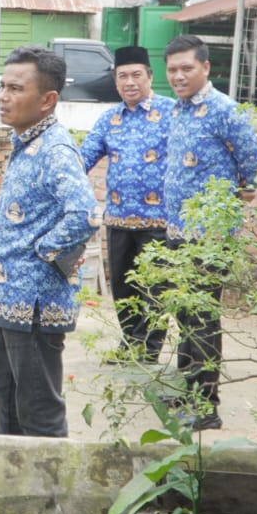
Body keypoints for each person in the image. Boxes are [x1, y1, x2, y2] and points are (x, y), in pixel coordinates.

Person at [0, 46, 98, 437]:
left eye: (16, 88)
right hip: (9, 301)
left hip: (33, 304)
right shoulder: (27, 142)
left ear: (48, 100)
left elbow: (82, 213)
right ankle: (10, 490)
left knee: (38, 410)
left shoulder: (55, 149)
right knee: (6, 396)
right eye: (3, 86)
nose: (3, 96)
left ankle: (49, 496)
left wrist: (44, 253)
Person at [162, 34, 257, 431]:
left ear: (205, 68)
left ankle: (206, 405)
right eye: (172, 69)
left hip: (208, 234)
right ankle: (187, 386)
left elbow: (252, 164)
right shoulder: (179, 109)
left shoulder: (224, 110)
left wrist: (227, 209)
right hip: (177, 228)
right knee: (184, 312)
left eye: (186, 68)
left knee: (202, 315)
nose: (178, 76)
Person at [79, 46, 176, 363]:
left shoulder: (172, 114)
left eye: (136, 75)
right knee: (123, 288)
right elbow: (86, 157)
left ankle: (148, 350)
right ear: (115, 81)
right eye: (123, 76)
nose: (130, 82)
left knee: (156, 289)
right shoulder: (110, 119)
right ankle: (130, 344)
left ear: (150, 76)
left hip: (159, 222)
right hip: (118, 220)